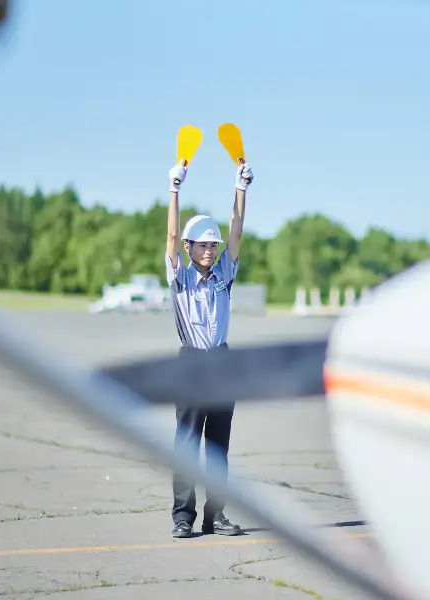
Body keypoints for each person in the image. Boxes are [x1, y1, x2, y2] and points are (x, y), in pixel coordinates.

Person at [165, 156, 253, 538]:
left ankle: (214, 516)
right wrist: (174, 189)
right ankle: (182, 517)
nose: (210, 250)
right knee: (187, 445)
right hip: (191, 363)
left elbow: (237, 231)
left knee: (217, 447)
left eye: (213, 245)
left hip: (221, 362)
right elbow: (169, 237)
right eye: (203, 245)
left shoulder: (223, 275)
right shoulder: (180, 277)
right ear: (188, 247)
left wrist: (241, 188)